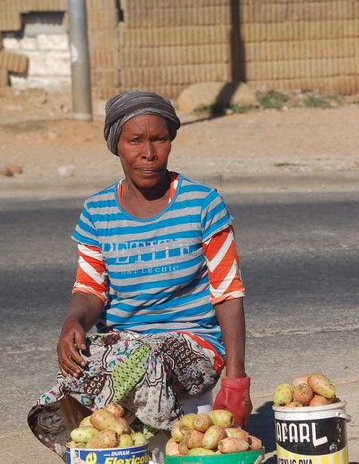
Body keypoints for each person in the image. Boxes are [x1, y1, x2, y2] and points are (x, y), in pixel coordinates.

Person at [28, 91, 252, 460]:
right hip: (123, 348)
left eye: (159, 139)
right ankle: (100, 444)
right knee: (81, 361)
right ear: (116, 145)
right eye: (135, 141)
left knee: (138, 354)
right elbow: (90, 289)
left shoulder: (202, 204)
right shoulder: (97, 211)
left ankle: (164, 446)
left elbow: (228, 291)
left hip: (193, 347)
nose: (148, 153)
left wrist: (236, 380)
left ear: (170, 141)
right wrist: (73, 322)